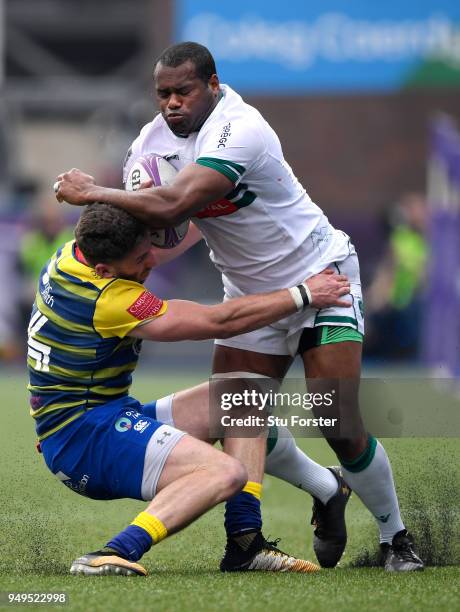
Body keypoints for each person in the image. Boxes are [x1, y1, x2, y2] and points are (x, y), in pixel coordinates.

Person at [54, 42, 424, 572]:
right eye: (162, 94)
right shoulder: (148, 148)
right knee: (239, 409)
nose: (171, 103)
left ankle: (396, 538)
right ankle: (287, 516)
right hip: (250, 293)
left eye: (183, 91)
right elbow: (153, 226)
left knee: (336, 420)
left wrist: (94, 191)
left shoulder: (240, 126)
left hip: (322, 276)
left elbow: (176, 203)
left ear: (213, 84)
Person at [28, 203, 350, 576]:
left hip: (96, 419)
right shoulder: (110, 301)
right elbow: (219, 320)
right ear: (104, 271)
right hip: (86, 441)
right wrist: (304, 294)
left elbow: (151, 243)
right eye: (140, 259)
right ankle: (114, 551)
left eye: (147, 248)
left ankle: (247, 545)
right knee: (226, 473)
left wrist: (208, 202)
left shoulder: (73, 254)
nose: (152, 260)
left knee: (244, 396)